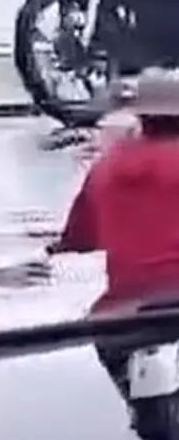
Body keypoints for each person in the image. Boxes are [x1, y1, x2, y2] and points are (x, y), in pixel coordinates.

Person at [51, 66, 179, 420]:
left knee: (142, 410)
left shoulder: (107, 167)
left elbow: (79, 238)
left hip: (124, 316)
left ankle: (147, 421)